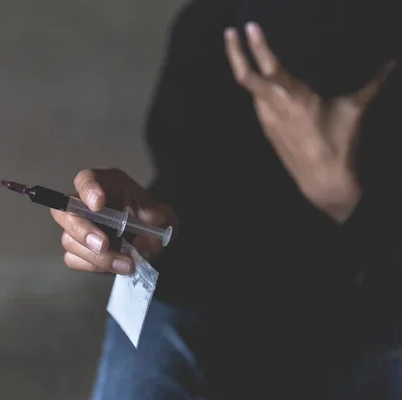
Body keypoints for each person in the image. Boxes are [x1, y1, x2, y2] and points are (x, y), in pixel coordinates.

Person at [51, 1, 402, 399]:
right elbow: (200, 193)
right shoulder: (215, 29)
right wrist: (160, 227)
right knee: (151, 319)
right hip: (242, 295)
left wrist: (347, 201)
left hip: (381, 304)